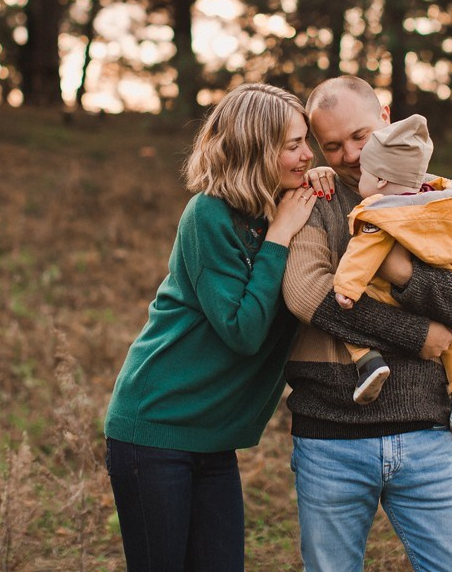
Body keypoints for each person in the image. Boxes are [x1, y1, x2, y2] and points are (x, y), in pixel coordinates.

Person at [283, 76, 452, 572]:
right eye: (332, 146)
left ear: (386, 117)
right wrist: (418, 334)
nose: (350, 155)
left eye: (360, 136)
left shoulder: (443, 199)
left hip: (428, 433)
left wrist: (403, 274)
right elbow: (305, 292)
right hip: (330, 438)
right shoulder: (314, 201)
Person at [104, 82, 318, 572]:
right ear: (256, 150)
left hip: (213, 439)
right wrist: (280, 237)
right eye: (293, 145)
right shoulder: (209, 214)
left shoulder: (284, 207)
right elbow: (243, 330)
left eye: (307, 141)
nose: (308, 155)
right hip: (157, 429)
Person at [332, 113, 452, 436]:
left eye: (365, 174)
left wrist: (347, 287)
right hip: (438, 295)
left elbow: (362, 254)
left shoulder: (380, 213)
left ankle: (370, 363)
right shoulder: (444, 203)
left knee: (350, 316)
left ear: (380, 180)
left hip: (388, 297)